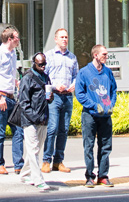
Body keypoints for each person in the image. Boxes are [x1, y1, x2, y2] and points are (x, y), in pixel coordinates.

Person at [75, 44, 117, 187]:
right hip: (90, 115)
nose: (106, 56)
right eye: (104, 54)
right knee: (89, 146)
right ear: (95, 55)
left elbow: (113, 90)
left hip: (105, 115)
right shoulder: (84, 72)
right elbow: (79, 93)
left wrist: (111, 104)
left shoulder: (107, 72)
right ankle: (89, 176)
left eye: (106, 54)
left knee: (105, 146)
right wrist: (93, 105)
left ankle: (103, 175)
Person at [0, 26, 24, 175]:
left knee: (18, 130)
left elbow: (9, 74)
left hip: (11, 96)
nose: (19, 40)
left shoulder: (13, 54)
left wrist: (17, 83)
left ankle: (19, 163)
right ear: (10, 39)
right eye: (17, 38)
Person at [42, 28, 78, 174]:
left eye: (66, 37)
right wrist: (54, 86)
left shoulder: (72, 57)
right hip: (54, 96)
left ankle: (58, 161)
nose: (64, 39)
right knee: (52, 128)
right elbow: (43, 77)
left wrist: (74, 85)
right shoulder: (49, 56)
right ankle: (46, 160)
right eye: (62, 37)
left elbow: (76, 75)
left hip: (67, 96)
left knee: (63, 130)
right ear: (56, 39)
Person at [18, 52, 53, 191]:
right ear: (34, 63)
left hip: (43, 117)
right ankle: (38, 179)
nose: (43, 67)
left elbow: (48, 96)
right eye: (40, 64)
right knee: (33, 149)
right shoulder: (28, 78)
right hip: (30, 119)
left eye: (44, 64)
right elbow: (23, 102)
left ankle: (25, 173)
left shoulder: (45, 77)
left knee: (35, 148)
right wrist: (33, 117)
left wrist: (50, 97)